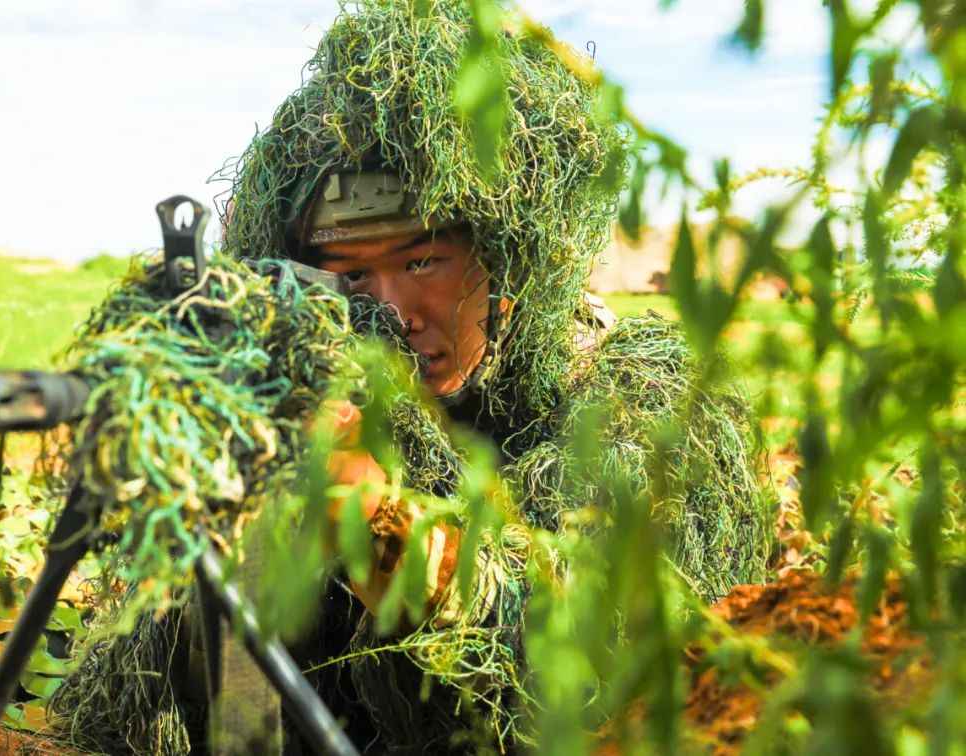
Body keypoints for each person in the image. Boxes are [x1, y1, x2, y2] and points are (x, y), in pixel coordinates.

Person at [219, 1, 774, 752]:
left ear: (508, 262)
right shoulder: (336, 392)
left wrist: (375, 520)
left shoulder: (638, 401)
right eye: (352, 277)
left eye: (423, 262)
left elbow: (598, 648)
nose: (393, 313)